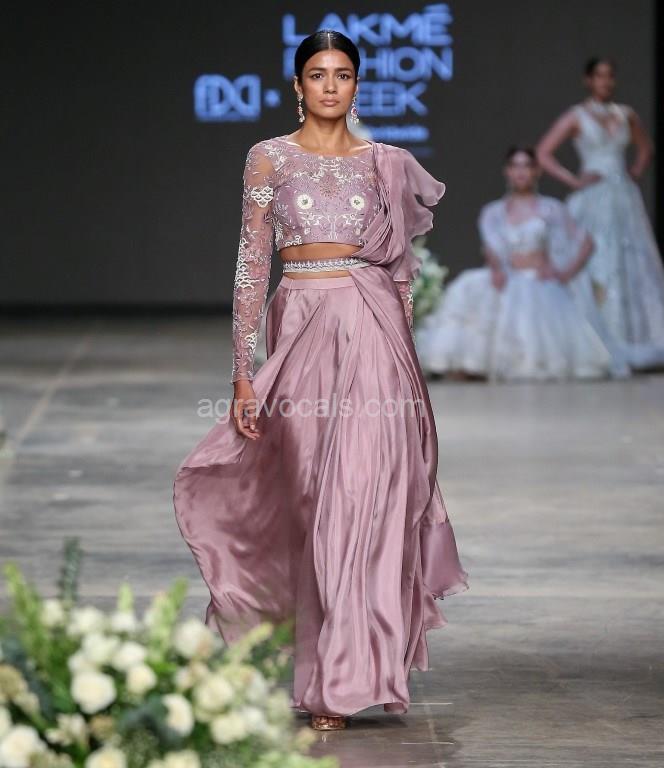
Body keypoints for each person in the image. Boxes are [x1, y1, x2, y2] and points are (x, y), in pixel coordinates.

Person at [172, 30, 468, 732]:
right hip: (301, 320)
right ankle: (321, 660)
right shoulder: (268, 157)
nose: (330, 86)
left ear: (357, 85)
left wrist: (407, 370)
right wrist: (243, 374)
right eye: (317, 74)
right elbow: (252, 265)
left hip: (373, 329)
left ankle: (346, 677)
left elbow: (399, 274)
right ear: (297, 86)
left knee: (366, 495)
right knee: (309, 497)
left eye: (342, 75)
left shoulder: (385, 162)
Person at [415, 147, 623, 381]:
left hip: (540, 284)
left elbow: (586, 243)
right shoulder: (493, 212)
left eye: (527, 166)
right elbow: (491, 248)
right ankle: (469, 365)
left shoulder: (551, 208)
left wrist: (564, 273)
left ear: (537, 171)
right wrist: (496, 269)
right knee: (467, 288)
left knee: (532, 327)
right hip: (507, 277)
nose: (521, 172)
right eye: (515, 166)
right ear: (507, 171)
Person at [536, 57, 664, 369]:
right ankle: (594, 344)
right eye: (599, 76)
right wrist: (574, 180)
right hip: (592, 199)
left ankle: (633, 342)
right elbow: (544, 152)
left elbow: (646, 148)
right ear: (588, 80)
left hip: (623, 198)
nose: (606, 82)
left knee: (631, 264)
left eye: (610, 76)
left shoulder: (626, 114)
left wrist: (634, 172)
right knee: (595, 262)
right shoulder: (577, 115)